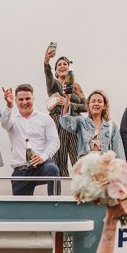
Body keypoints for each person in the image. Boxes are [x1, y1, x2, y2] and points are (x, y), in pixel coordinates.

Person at [1, 83, 61, 196]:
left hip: (42, 165)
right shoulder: (11, 120)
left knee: (53, 169)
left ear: (33, 98)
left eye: (28, 98)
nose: (24, 102)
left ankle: (55, 204)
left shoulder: (45, 119)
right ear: (16, 101)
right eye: (21, 99)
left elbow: (54, 142)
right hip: (21, 169)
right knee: (21, 211)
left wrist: (42, 157)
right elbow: (4, 123)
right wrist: (9, 105)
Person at [43, 45, 87, 177]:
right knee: (59, 160)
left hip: (74, 122)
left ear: (69, 69)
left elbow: (86, 106)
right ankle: (57, 196)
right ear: (56, 71)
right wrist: (46, 61)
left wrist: (69, 104)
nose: (62, 66)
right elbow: (48, 75)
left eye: (65, 64)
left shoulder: (76, 87)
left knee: (78, 159)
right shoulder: (54, 85)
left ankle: (81, 193)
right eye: (59, 64)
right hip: (58, 121)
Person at [58, 89, 125, 161]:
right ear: (88, 105)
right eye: (93, 101)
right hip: (86, 165)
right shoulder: (81, 122)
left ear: (104, 106)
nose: (96, 103)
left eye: (99, 101)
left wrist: (121, 168)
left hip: (104, 165)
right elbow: (65, 122)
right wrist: (68, 98)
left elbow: (118, 150)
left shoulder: (111, 125)